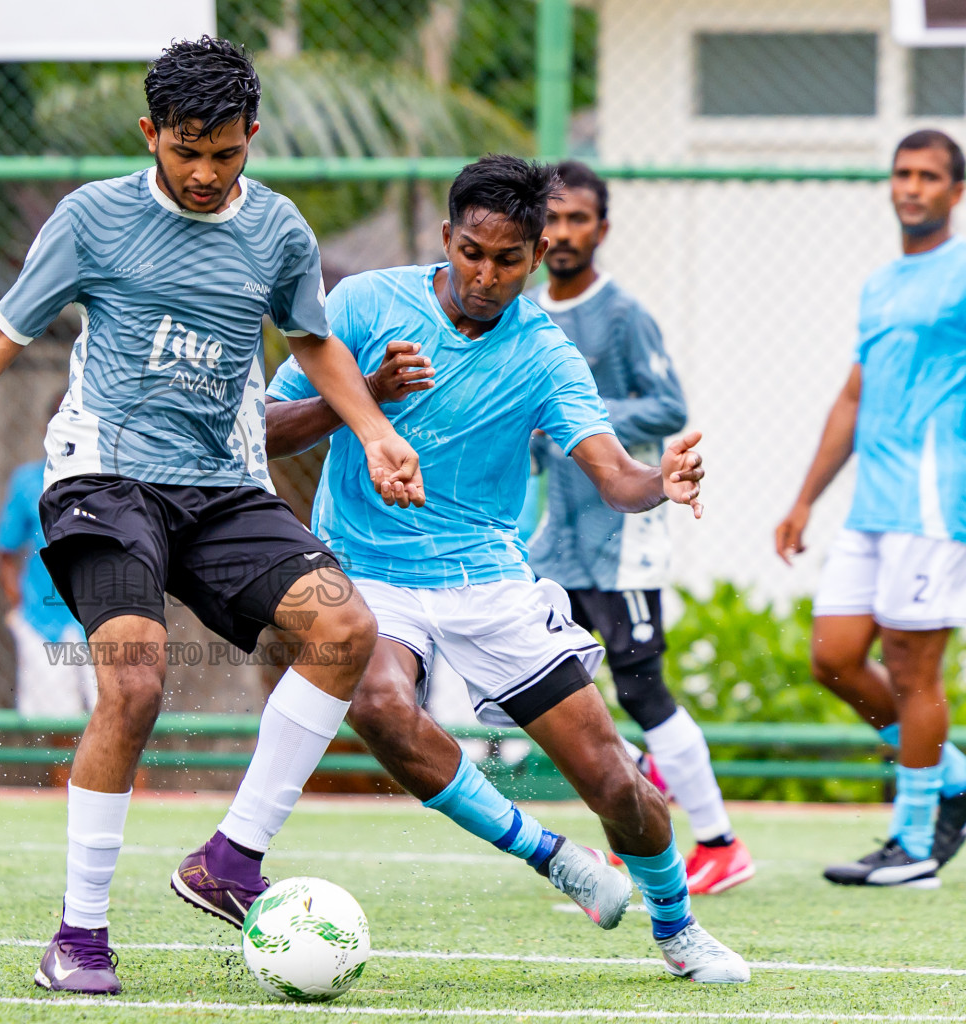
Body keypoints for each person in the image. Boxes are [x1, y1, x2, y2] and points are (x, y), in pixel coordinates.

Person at [0, 36, 422, 996]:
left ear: (252, 138)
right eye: (185, 149)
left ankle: (230, 859)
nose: (202, 172)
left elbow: (313, 342)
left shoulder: (278, 232)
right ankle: (79, 937)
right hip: (105, 481)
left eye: (224, 153)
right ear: (150, 133)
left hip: (226, 487)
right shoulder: (94, 218)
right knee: (138, 684)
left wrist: (375, 433)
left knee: (344, 629)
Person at [265, 155, 748, 983]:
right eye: (472, 253)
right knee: (379, 703)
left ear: (537, 255)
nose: (486, 276)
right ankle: (546, 853)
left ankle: (678, 926)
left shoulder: (547, 353)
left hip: (488, 581)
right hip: (368, 571)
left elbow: (612, 474)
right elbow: (271, 429)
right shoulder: (364, 303)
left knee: (615, 783)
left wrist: (657, 482)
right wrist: (366, 395)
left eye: (508, 260)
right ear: (448, 237)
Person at [526, 160, 752, 895]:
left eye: (576, 220)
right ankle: (637, 804)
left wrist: (576, 418)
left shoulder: (621, 314)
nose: (561, 234)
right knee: (542, 685)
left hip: (620, 539)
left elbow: (665, 405)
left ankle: (719, 842)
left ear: (602, 228)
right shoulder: (524, 311)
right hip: (552, 541)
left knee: (643, 688)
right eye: (551, 219)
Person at [775, 129, 966, 888]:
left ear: (955, 192)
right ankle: (950, 770)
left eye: (928, 176)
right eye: (902, 173)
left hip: (934, 500)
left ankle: (914, 844)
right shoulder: (881, 282)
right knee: (834, 656)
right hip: (870, 503)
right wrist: (803, 498)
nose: (911, 186)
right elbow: (855, 394)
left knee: (915, 673)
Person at [0, 400, 97, 720]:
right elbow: (6, 552)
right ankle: (70, 775)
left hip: (104, 618)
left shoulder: (112, 481)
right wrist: (18, 608)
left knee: (127, 718)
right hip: (44, 622)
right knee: (57, 724)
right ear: (48, 429)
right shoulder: (27, 481)